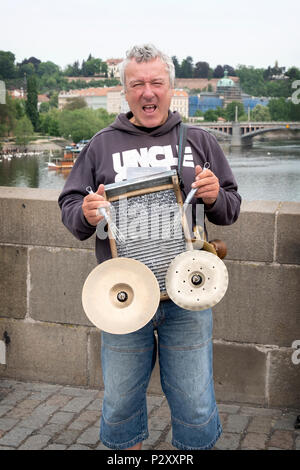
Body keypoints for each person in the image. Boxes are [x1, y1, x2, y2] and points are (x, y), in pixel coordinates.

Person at [58, 44, 241, 450]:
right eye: (137, 84)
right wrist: (86, 214)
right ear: (125, 91)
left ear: (170, 88)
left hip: (187, 298)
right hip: (120, 299)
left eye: (156, 82)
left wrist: (214, 197)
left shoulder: (200, 141)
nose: (147, 92)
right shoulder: (100, 144)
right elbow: (70, 207)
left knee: (195, 406)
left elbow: (230, 209)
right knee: (121, 404)